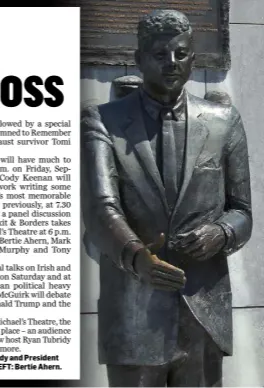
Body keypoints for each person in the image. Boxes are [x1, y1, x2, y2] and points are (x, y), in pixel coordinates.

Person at [81, 10, 252, 387]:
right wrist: (137, 258)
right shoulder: (102, 121)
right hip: (133, 307)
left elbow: (242, 213)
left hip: (203, 314)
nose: (172, 63)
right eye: (160, 55)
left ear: (193, 57)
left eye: (181, 53)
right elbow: (100, 209)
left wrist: (221, 233)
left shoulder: (224, 121)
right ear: (140, 60)